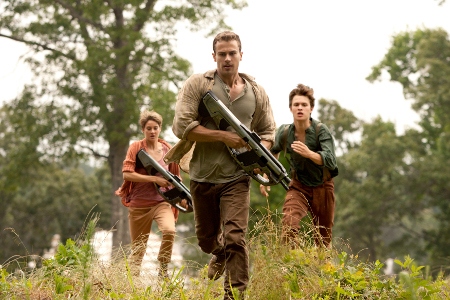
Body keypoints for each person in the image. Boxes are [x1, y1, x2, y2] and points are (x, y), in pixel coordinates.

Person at [165, 31, 276, 299]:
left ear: (241, 55)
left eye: (232, 53)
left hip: (237, 177)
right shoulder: (198, 84)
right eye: (222, 54)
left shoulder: (256, 92)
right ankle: (219, 252)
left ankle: (234, 295)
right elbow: (182, 126)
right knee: (206, 240)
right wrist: (224, 136)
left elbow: (268, 133)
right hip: (203, 175)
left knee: (236, 237)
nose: (227, 59)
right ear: (214, 57)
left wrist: (260, 156)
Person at [260, 84, 338, 248]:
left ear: (311, 108)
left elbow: (330, 161)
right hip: (299, 186)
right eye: (296, 105)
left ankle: (321, 268)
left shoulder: (320, 131)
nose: (300, 108)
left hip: (323, 187)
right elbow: (272, 153)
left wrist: (309, 154)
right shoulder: (285, 132)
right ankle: (293, 263)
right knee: (289, 225)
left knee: (323, 240)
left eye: (304, 105)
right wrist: (265, 176)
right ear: (290, 108)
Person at [115, 110, 183, 280]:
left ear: (160, 129)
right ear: (143, 130)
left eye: (155, 128)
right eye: (148, 128)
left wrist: (182, 197)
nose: (152, 131)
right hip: (139, 205)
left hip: (162, 202)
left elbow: (177, 178)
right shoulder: (136, 148)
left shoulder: (168, 149)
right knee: (138, 251)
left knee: (169, 230)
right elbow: (127, 174)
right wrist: (153, 178)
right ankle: (131, 287)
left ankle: (163, 269)